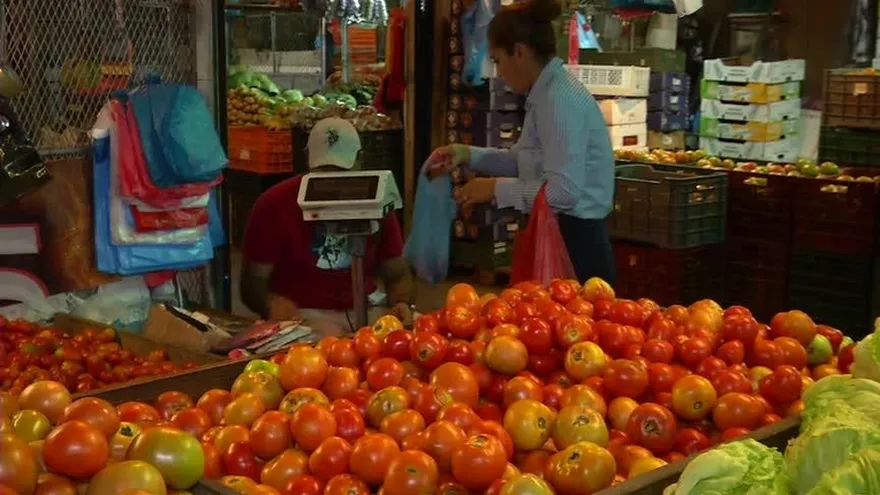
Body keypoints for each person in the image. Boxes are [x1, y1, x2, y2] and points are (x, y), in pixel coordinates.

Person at [426, 0, 615, 284]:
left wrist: (495, 188)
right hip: (558, 232)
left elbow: (564, 193)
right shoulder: (544, 94)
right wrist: (467, 154)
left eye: (498, 60)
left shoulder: (558, 100)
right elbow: (523, 160)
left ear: (519, 52)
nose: (498, 72)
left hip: (577, 244)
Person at [240, 117, 414, 336]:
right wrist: (271, 303)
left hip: (369, 307)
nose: (332, 182)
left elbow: (397, 273)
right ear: (306, 160)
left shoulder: (378, 200)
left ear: (360, 161)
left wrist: (401, 302)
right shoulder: (272, 204)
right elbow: (252, 283)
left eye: (340, 171)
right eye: (324, 171)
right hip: (303, 315)